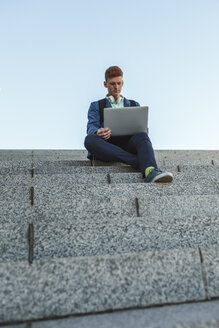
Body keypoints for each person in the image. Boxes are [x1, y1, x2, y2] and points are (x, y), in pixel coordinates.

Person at [84, 66, 173, 183]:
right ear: (105, 84)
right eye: (112, 84)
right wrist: (98, 132)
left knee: (142, 135)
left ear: (122, 83)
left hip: (128, 144)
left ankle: (150, 170)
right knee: (89, 140)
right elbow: (91, 127)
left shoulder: (133, 104)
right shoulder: (96, 105)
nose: (116, 87)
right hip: (107, 145)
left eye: (119, 83)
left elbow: (143, 129)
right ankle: (140, 162)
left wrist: (142, 131)